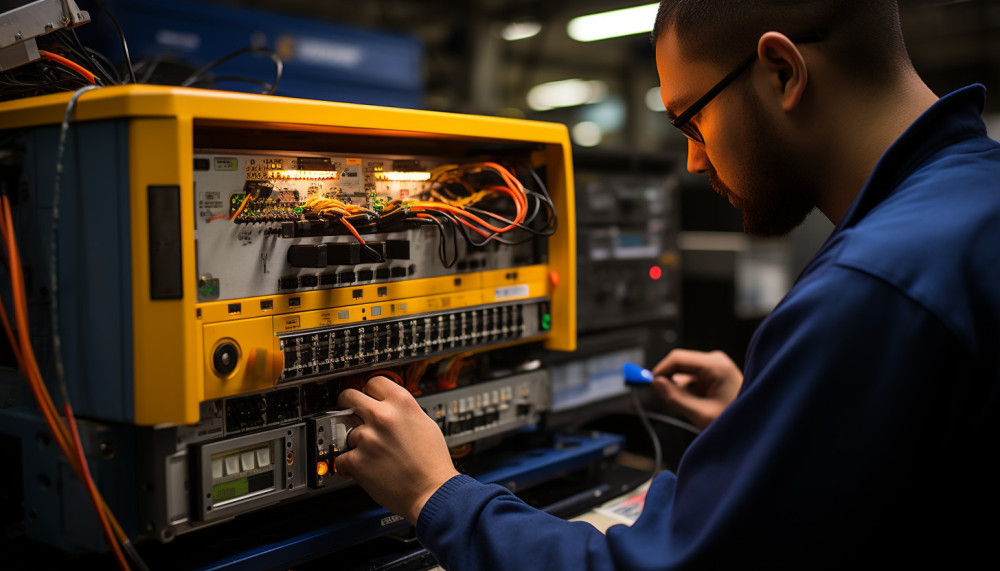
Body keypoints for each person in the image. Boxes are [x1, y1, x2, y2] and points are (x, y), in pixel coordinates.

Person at [335, 0, 1000, 567]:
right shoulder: (973, 200)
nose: (692, 157)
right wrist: (772, 413)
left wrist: (434, 490)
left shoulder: (873, 284)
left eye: (691, 118)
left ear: (782, 72)